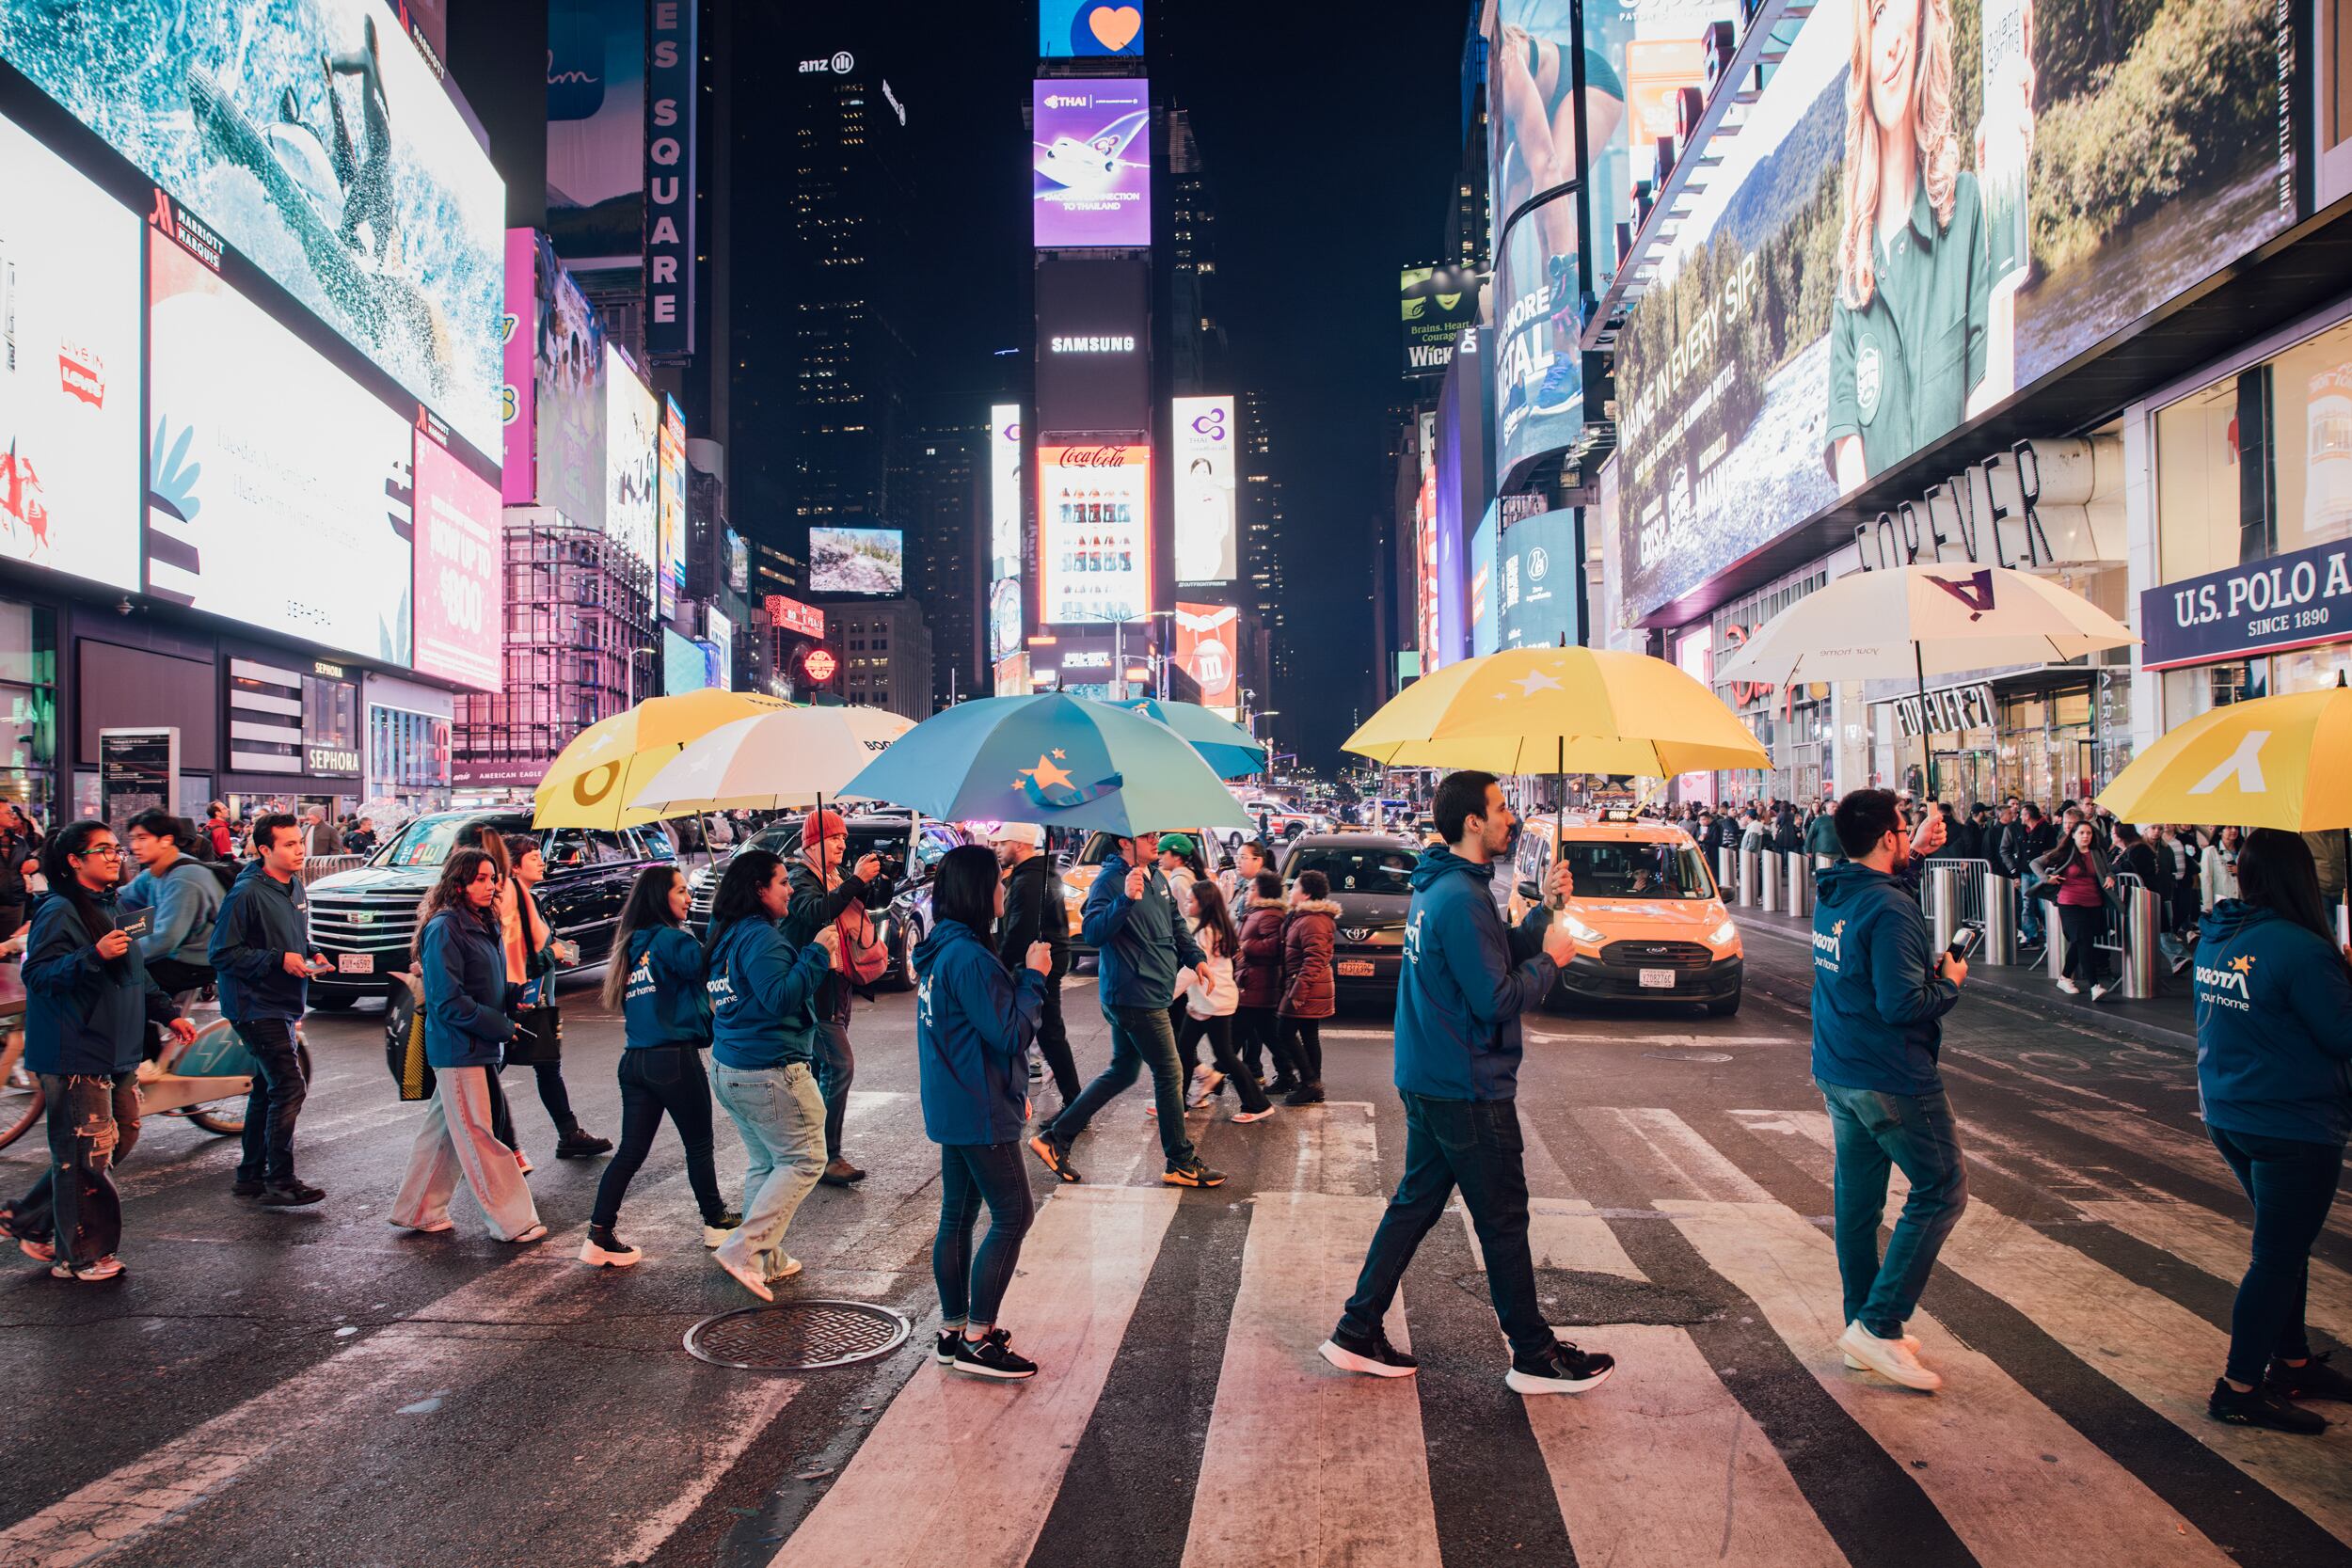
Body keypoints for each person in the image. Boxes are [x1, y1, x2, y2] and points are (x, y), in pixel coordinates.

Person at [1322, 770, 1603, 1395]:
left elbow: (1491, 950)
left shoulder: (1444, 885)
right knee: (1503, 1220)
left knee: (1416, 1204)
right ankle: (1533, 1354)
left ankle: (1356, 1327)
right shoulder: (1462, 896)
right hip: (1467, 1083)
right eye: (1501, 808)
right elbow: (1495, 995)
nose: (1511, 818)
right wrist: (1551, 959)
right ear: (1473, 821)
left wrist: (1543, 915)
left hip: (1432, 1075)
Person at [2191, 830, 2352, 1433]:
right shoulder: (2301, 950)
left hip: (2231, 1113)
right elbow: (2343, 1036)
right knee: (2279, 1255)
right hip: (2292, 1122)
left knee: (2287, 1245)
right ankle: (2238, 1387)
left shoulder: (2218, 935)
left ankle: (2292, 1361)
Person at [1811, 788, 1970, 1390]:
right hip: (1890, 1075)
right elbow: (1903, 1003)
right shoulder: (1891, 909)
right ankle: (1879, 1325)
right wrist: (1949, 981)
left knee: (1858, 1209)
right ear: (1886, 839)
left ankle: (1862, 1330)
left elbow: (1878, 922)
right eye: (1905, 830)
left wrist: (1917, 856)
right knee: (1942, 1187)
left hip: (1839, 1066)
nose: (1911, 835)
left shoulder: (1837, 892)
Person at [0, 823, 197, 1281]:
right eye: (102, 849)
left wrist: (168, 1013)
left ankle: (31, 1220)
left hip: (119, 1048)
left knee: (118, 1138)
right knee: (85, 1153)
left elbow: (137, 971)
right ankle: (81, 1256)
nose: (114, 856)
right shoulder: (59, 910)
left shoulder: (117, 905)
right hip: (76, 1050)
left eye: (116, 848)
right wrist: (94, 955)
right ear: (74, 860)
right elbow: (40, 975)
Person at [914, 846, 1056, 1380]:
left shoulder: (943, 951)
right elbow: (1012, 1032)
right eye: (998, 882)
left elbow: (972, 1032)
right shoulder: (969, 958)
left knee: (959, 1215)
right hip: (977, 1107)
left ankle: (953, 1330)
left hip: (957, 1099)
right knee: (1014, 1214)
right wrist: (1033, 977)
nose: (1003, 890)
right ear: (979, 891)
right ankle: (978, 1337)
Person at [1027, 829, 1223, 1189]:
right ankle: (1180, 1160)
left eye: (1157, 835)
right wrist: (1125, 900)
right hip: (1134, 993)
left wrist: (1196, 958)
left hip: (1150, 988)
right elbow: (1093, 932)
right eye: (1147, 836)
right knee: (1169, 1071)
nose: (1156, 841)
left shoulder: (1157, 876)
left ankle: (1054, 1139)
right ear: (1124, 843)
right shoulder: (1110, 880)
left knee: (1123, 1071)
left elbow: (1175, 924)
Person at [582, 866, 739, 1269]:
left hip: (635, 1061)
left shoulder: (632, 944)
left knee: (631, 1152)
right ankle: (715, 1220)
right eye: (681, 891)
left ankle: (599, 1233)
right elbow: (708, 966)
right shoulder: (672, 939)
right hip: (673, 1059)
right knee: (699, 1144)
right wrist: (724, 915)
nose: (688, 898)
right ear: (660, 898)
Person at [388, 848, 546, 1243]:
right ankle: (513, 1222)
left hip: (474, 1042)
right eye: (480, 878)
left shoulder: (480, 922)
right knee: (479, 1135)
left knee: (443, 1133)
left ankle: (418, 1210)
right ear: (457, 883)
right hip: (459, 1047)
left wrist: (511, 997)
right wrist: (502, 1026)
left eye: (493, 878)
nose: (490, 885)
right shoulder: (445, 927)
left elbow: (479, 984)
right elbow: (447, 1000)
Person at [706, 848, 842, 1301]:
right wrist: (817, 955)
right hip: (769, 1069)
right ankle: (745, 1250)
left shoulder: (726, 934)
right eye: (782, 882)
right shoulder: (760, 939)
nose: (790, 889)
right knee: (804, 1160)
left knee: (766, 1163)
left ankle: (765, 1256)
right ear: (759, 890)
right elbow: (779, 998)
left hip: (732, 1066)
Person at [208, 814, 327, 1206]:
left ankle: (250, 1176)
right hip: (255, 1006)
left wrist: (311, 953)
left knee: (267, 1089)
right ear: (264, 850)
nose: (300, 850)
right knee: (289, 1086)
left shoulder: (294, 884)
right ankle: (280, 1178)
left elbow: (292, 938)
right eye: (290, 845)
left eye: (299, 842)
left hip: (285, 1002)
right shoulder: (245, 894)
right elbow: (223, 953)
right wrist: (279, 960)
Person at [782, 809, 889, 1188]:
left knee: (816, 1071)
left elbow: (864, 906)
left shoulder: (835, 876)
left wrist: (870, 881)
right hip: (813, 993)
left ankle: (809, 1151)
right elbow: (813, 912)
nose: (842, 844)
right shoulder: (799, 878)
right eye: (834, 838)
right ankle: (827, 1155)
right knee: (838, 1066)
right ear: (813, 842)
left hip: (837, 987)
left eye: (844, 838)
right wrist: (855, 881)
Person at [501, 833, 609, 1160]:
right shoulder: (512, 901)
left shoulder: (530, 899)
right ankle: (477, 1142)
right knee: (488, 1071)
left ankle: (569, 1134)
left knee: (548, 1064)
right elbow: (514, 955)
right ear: (514, 866)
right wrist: (552, 952)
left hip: (538, 1000)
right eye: (533, 857)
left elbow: (539, 944)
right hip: (516, 999)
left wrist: (561, 950)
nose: (541, 861)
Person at [992, 823, 1074, 1111]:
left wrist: (999, 965)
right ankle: (1071, 1100)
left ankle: (1074, 1104)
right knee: (1045, 1033)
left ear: (1021, 845)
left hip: (1038, 963)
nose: (998, 848)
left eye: (1003, 843)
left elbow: (1019, 932)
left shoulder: (1030, 881)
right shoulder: (1034, 875)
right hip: (1044, 960)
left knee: (1047, 1033)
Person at [1178, 879, 1275, 1122]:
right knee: (1185, 1049)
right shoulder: (1216, 927)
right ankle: (1178, 1104)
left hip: (1214, 1002)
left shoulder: (1205, 932)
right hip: (1208, 1001)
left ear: (1204, 903)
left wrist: (1166, 995)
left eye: (1191, 900)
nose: (1187, 904)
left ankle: (1258, 1104)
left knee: (1225, 1056)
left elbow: (1191, 970)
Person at [120, 810, 224, 1007]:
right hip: (179, 953)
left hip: (196, 960)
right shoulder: (158, 871)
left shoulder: (183, 878)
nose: (134, 846)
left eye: (142, 838)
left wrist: (120, 954)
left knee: (127, 987)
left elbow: (165, 938)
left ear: (166, 840)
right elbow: (122, 898)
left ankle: (143, 1037)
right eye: (132, 839)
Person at [1275, 869, 1341, 1107]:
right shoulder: (1302, 916)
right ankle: (1311, 1084)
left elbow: (1314, 959)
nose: (1291, 891)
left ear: (1307, 894)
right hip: (1304, 985)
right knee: (1309, 1035)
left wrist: (1298, 992)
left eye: (1295, 888)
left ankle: (1311, 1082)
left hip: (1306, 987)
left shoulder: (1313, 920)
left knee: (1284, 1033)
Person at [2038, 819, 2122, 1001]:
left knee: (2080, 941)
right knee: (2084, 941)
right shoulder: (2064, 852)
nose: (2086, 836)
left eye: (2089, 833)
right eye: (2082, 833)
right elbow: (2035, 864)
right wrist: (2046, 878)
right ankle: (2095, 985)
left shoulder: (2097, 852)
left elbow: (2108, 871)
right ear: (2073, 835)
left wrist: (2110, 877)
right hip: (2070, 903)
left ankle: (2065, 977)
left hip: (2093, 903)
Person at [1236, 869, 1294, 1092]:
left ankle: (1216, 1074)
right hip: (1254, 982)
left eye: (1251, 888)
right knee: (1269, 1033)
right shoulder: (1258, 912)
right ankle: (1289, 1073)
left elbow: (1273, 946)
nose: (1247, 892)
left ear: (1261, 892)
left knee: (1233, 1036)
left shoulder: (1269, 915)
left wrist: (1245, 947)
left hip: (1259, 983)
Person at [0, 800, 43, 941]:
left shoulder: (19, 841)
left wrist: (36, 863)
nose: (12, 816)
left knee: (7, 949)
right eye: (8, 813)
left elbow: (31, 860)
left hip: (14, 903)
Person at [2202, 825, 2243, 912]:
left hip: (2241, 901)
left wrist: (2241, 871)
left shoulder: (2243, 851)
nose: (2234, 830)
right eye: (2229, 827)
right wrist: (2208, 905)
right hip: (2221, 901)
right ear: (2220, 831)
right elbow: (2206, 879)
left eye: (2236, 828)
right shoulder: (2210, 851)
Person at [1805, 800, 1844, 867]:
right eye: (1833, 807)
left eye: (1837, 807)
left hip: (1838, 853)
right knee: (1823, 874)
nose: (1835, 808)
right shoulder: (1819, 820)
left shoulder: (1841, 820)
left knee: (1836, 875)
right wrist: (1808, 850)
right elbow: (1810, 836)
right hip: (1822, 853)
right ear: (1827, 808)